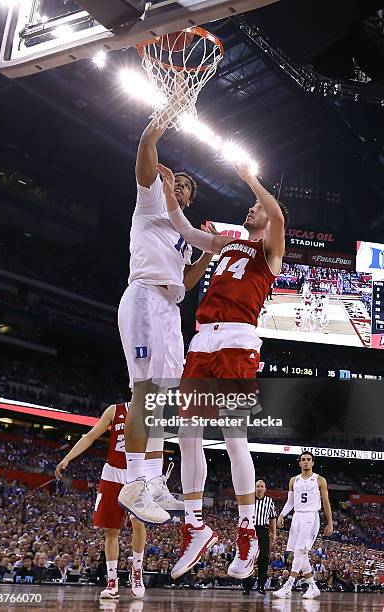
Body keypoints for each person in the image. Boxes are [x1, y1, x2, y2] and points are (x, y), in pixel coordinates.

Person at [156, 161, 288, 581]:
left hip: (237, 339)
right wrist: (165, 192)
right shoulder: (228, 244)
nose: (252, 210)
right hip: (202, 339)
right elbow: (186, 231)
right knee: (188, 434)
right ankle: (194, 526)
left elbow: (279, 216)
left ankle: (247, 528)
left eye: (257, 208)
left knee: (233, 436)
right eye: (251, 205)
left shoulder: (270, 253)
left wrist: (250, 179)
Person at [117, 118, 216, 524]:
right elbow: (145, 143)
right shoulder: (150, 202)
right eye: (175, 181)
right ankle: (135, 483)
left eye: (186, 187)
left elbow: (187, 283)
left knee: (164, 401)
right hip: (143, 296)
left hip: (170, 310)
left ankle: (155, 480)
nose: (179, 186)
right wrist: (165, 115)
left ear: (190, 200)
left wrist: (207, 256)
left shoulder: (184, 235)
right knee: (145, 391)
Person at [55, 403, 147, 600]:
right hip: (112, 473)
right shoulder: (115, 410)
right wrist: (67, 458)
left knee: (139, 523)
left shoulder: (152, 411)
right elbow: (90, 436)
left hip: (137, 474)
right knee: (111, 530)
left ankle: (137, 572)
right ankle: (112, 582)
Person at [273, 451, 333, 600]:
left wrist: (330, 522)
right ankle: (313, 587)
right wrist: (281, 514)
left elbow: (326, 502)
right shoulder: (294, 480)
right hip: (297, 516)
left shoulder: (320, 480)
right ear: (300, 463)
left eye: (309, 459)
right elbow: (290, 502)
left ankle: (288, 586)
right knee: (301, 553)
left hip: (311, 516)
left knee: (299, 551)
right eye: (303, 460)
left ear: (313, 463)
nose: (306, 462)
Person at [242, 480, 277, 595]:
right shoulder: (249, 500)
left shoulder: (269, 501)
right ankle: (246, 586)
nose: (260, 488)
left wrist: (274, 533)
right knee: (247, 557)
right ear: (254, 488)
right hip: (250, 530)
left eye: (262, 486)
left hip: (263, 530)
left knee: (263, 558)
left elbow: (272, 518)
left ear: (265, 489)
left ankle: (261, 585)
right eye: (257, 486)